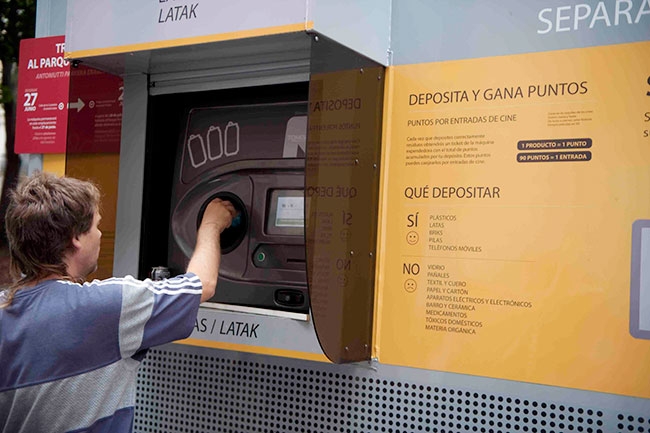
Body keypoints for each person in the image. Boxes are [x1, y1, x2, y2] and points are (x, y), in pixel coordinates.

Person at [0, 171, 235, 433]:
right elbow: (202, 284)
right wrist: (211, 225)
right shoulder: (107, 307)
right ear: (76, 238)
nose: (100, 235)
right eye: (96, 226)